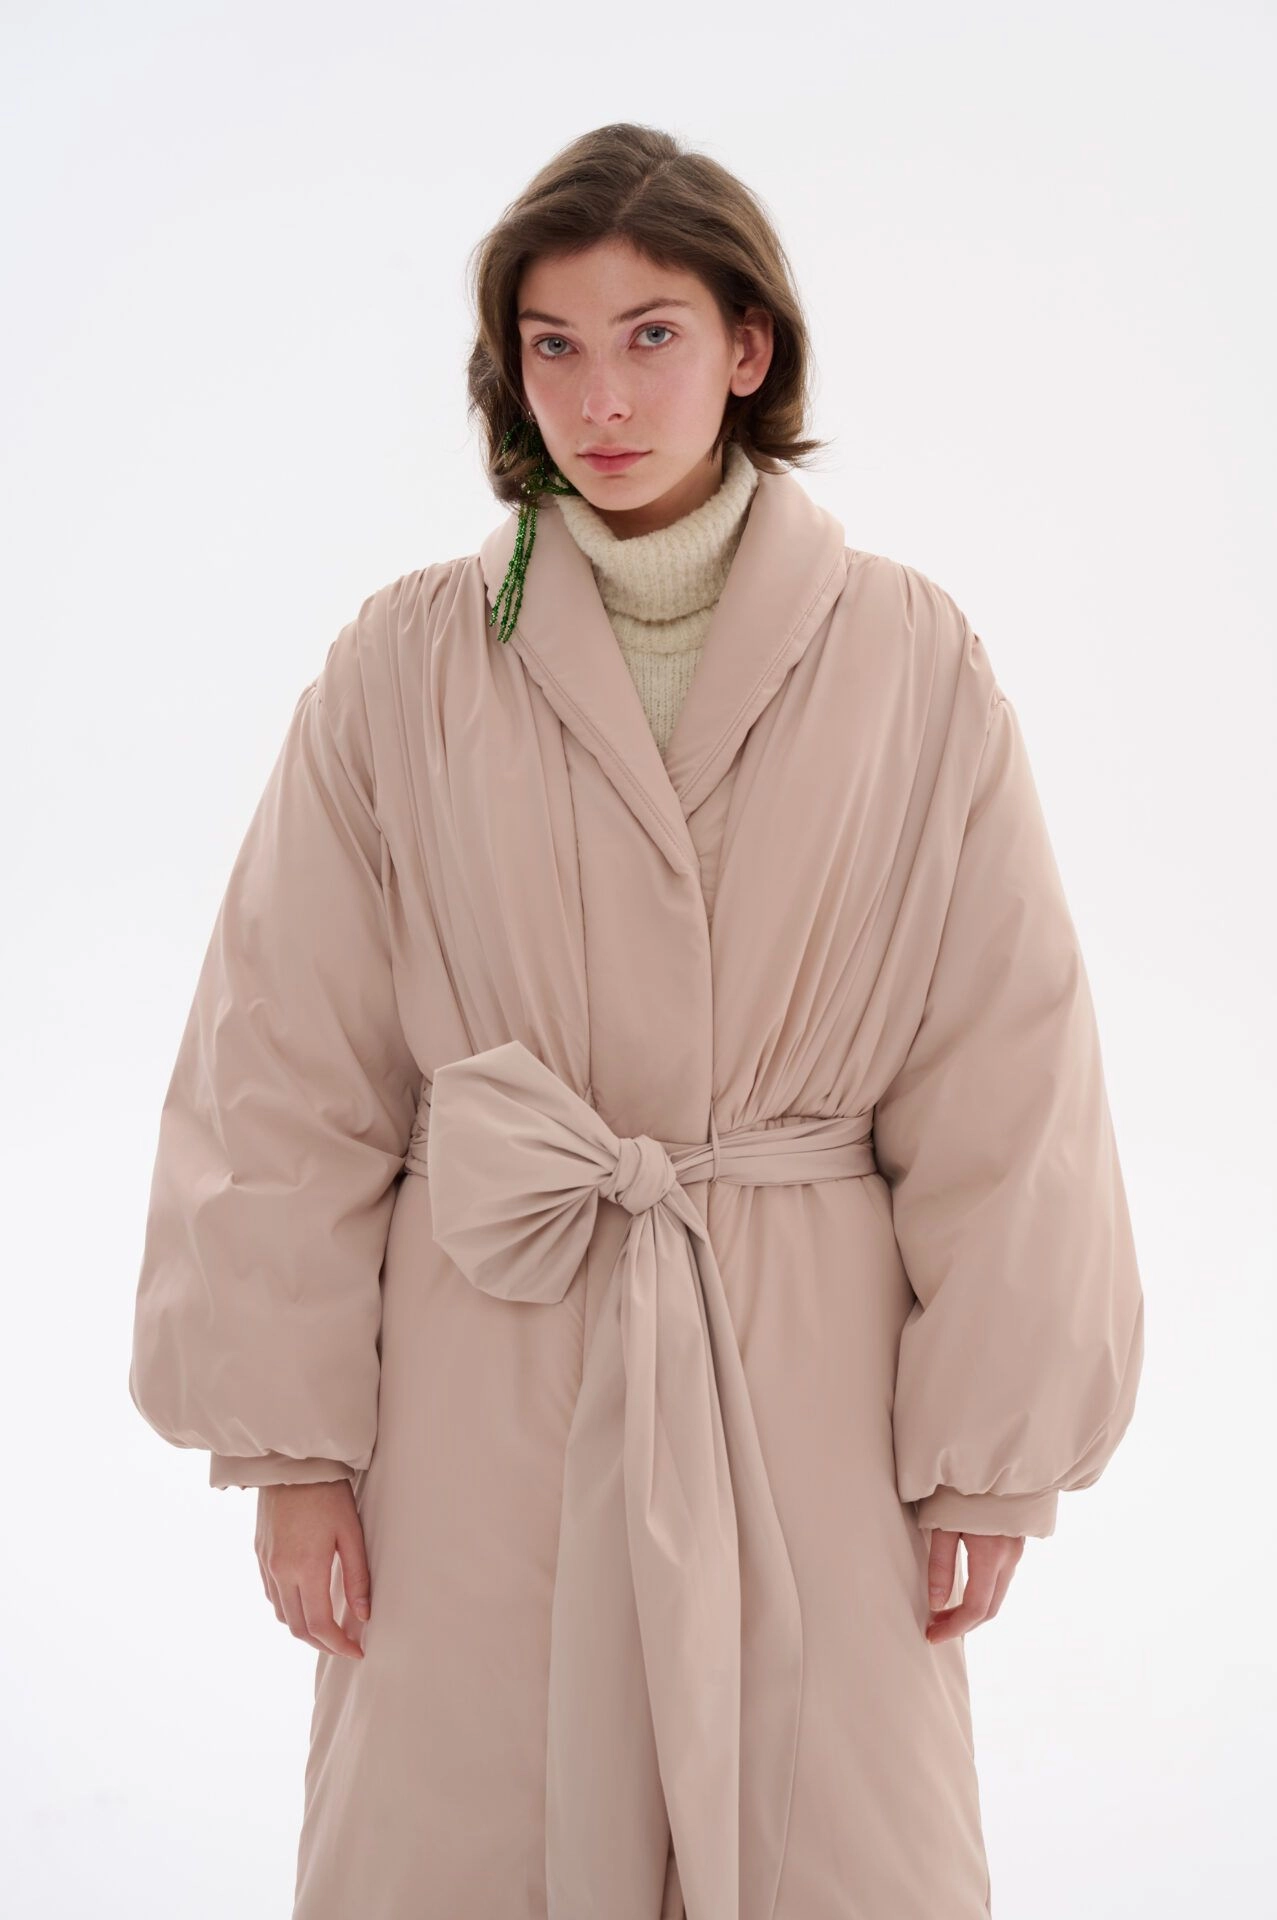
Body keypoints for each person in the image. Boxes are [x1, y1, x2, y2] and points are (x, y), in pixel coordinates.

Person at [128, 121, 1145, 1920]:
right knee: (472, 1834)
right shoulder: (402, 668)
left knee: (832, 1838)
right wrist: (291, 1452)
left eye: (652, 335)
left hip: (806, 1374)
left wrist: (993, 1457)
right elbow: (283, 1065)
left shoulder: (913, 662)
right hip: (485, 1374)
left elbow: (1010, 1072)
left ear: (748, 346)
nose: (601, 396)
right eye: (555, 345)